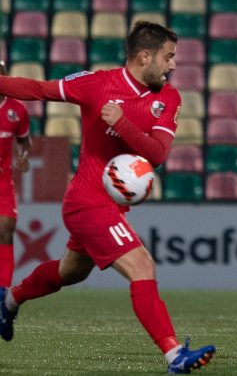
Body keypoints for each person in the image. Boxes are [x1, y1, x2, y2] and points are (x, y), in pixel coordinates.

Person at [0, 21, 215, 374]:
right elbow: (37, 88)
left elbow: (158, 154)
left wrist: (122, 123)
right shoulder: (97, 84)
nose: (174, 65)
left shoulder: (168, 99)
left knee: (71, 271)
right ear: (144, 57)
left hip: (111, 206)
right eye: (169, 57)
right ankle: (175, 355)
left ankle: (8, 300)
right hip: (86, 201)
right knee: (142, 266)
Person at [0, 60, 31, 289]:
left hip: (3, 184)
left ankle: (2, 294)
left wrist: (22, 156)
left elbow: (24, 141)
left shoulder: (17, 110)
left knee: (6, 231)